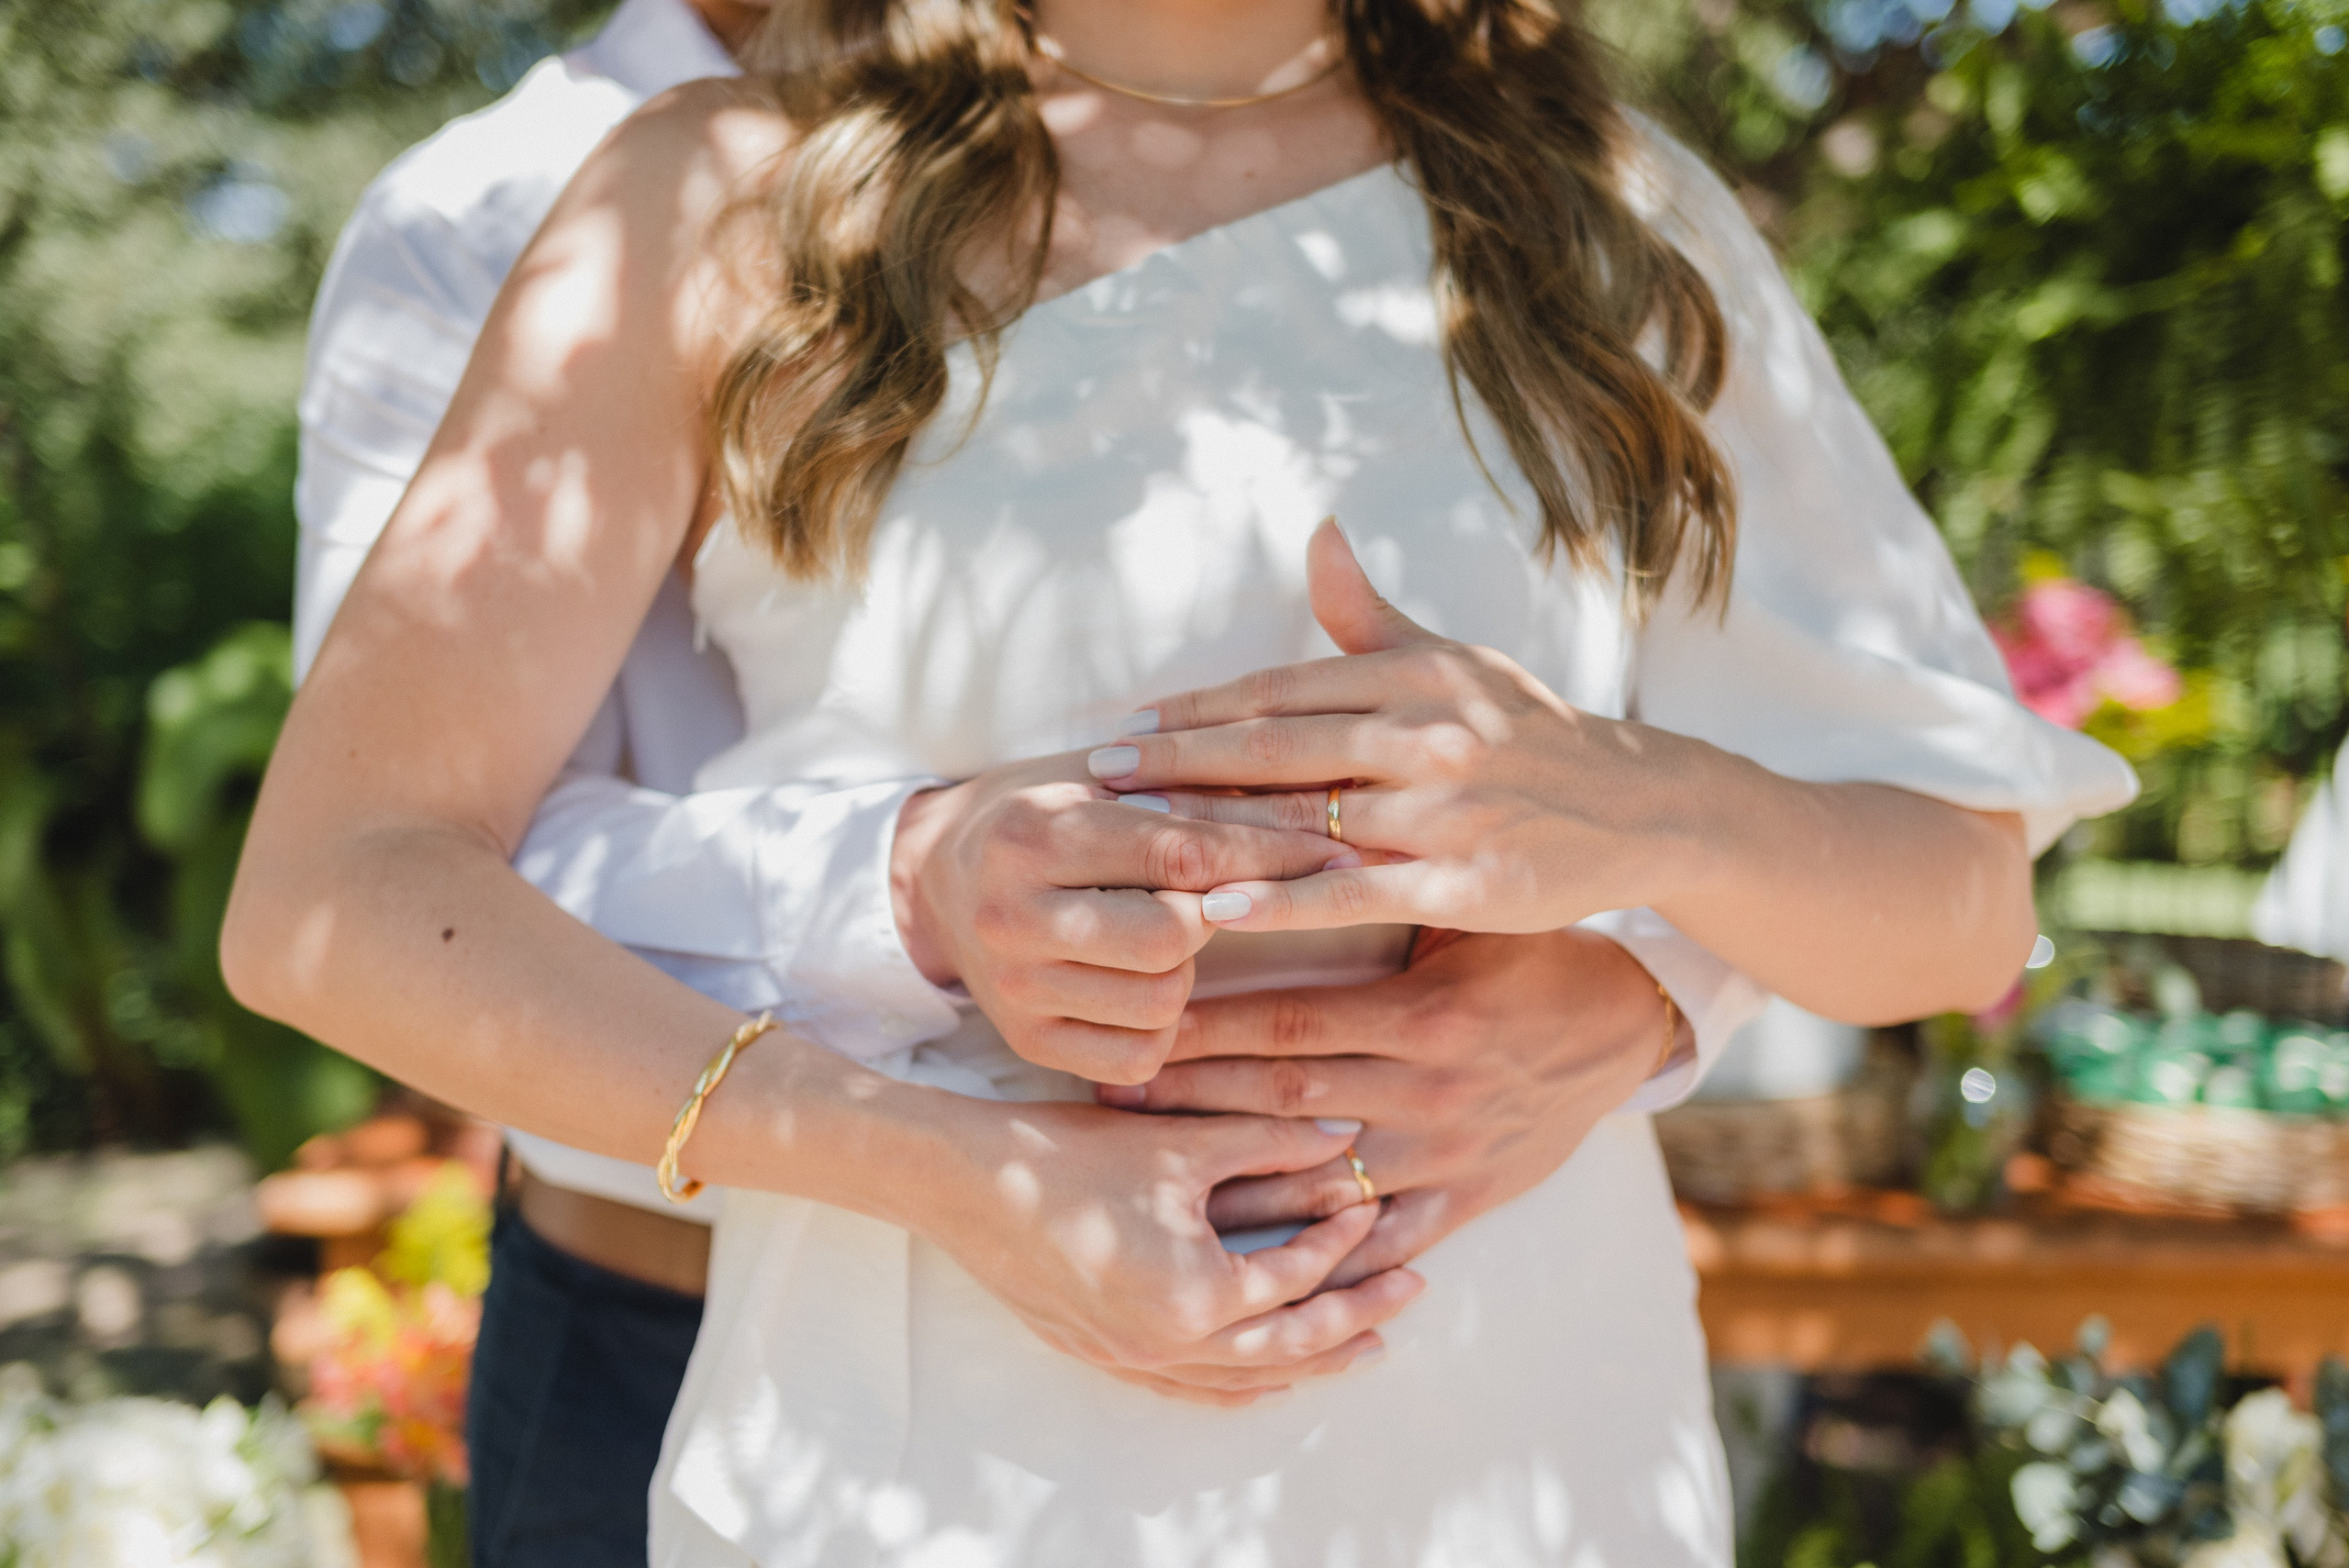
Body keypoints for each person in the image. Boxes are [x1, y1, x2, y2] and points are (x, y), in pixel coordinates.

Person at [234, 0, 2137, 1562]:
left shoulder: (1602, 212)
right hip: (913, 1454)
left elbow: (1958, 893)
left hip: (1520, 1449)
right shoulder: (725, 194)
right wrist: (945, 1156)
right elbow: (337, 896)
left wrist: (1635, 809)